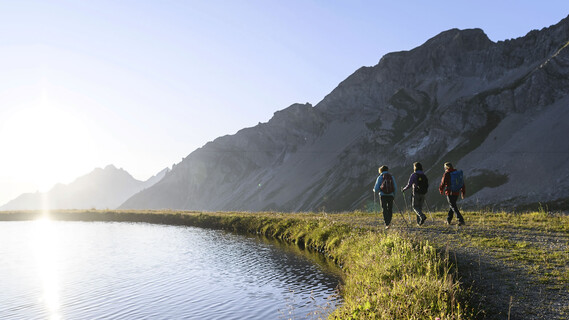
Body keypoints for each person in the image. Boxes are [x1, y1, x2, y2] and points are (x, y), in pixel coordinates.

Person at [401, 162, 428, 226]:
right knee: (420, 208)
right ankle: (419, 223)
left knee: (415, 207)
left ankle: (422, 216)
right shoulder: (424, 175)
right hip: (423, 193)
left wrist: (404, 189)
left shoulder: (414, 175)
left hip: (416, 192)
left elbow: (409, 184)